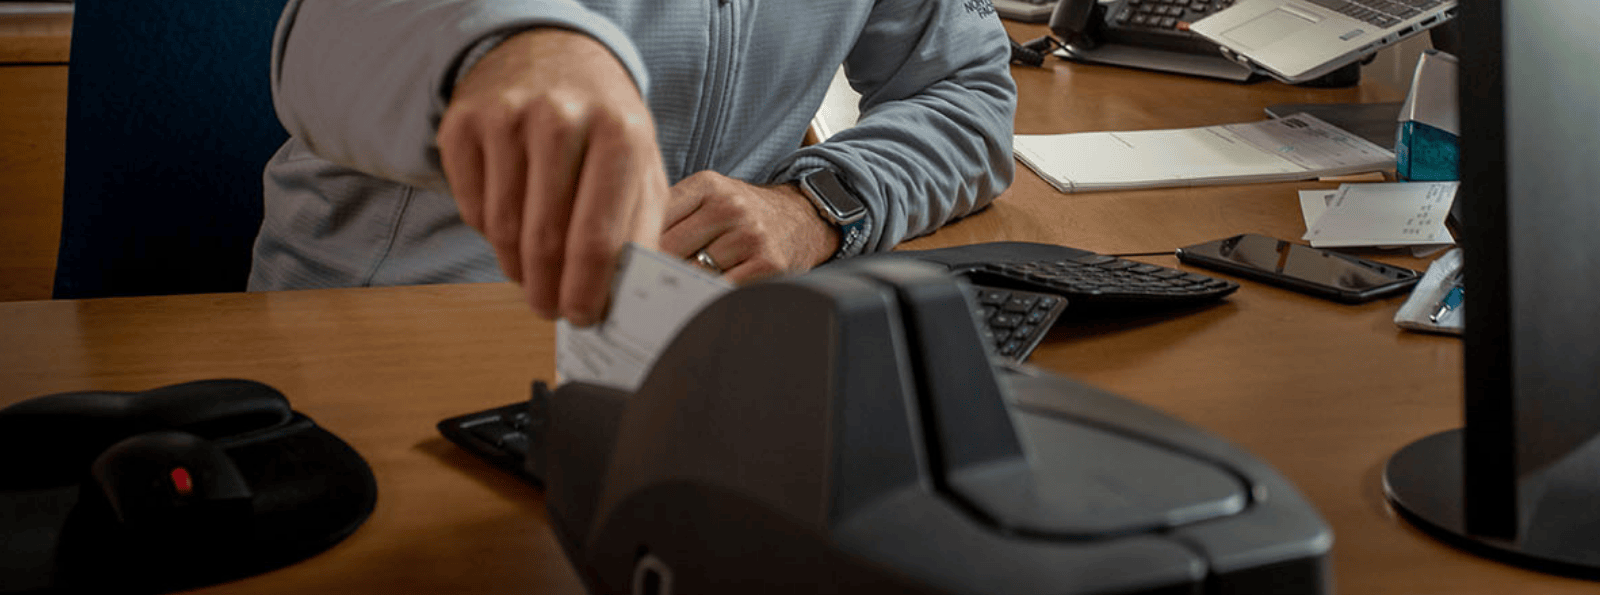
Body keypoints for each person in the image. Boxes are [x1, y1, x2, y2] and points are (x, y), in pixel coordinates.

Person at [250, 0, 1017, 326]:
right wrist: (516, 44)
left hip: (685, 348)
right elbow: (320, 36)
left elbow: (967, 93)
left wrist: (813, 208)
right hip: (386, 338)